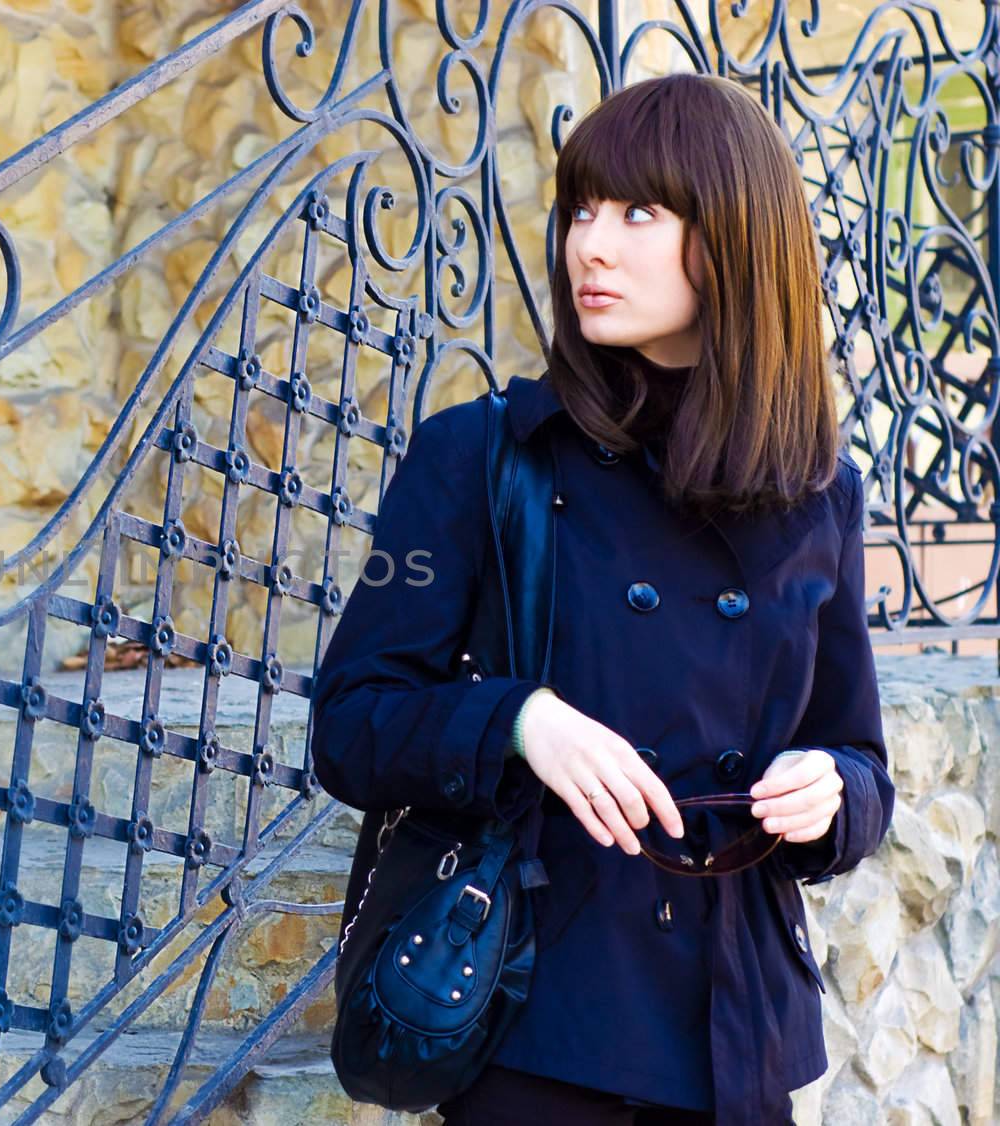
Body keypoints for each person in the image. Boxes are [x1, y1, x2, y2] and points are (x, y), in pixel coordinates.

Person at [308, 73, 894, 1126]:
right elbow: (349, 725)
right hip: (543, 1016)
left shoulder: (817, 492)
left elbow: (857, 758)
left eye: (637, 212)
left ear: (735, 235)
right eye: (581, 208)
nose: (590, 245)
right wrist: (518, 720)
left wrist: (829, 790)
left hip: (736, 1035)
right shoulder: (481, 457)